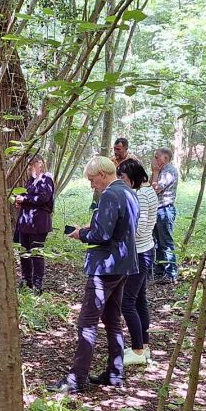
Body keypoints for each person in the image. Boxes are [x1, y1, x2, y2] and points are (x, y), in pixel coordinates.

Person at [48, 156, 138, 392]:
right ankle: (115, 373)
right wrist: (92, 230)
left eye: (92, 179)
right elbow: (119, 229)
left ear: (102, 174)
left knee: (87, 322)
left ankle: (76, 379)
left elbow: (102, 236)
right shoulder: (129, 192)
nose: (91, 185)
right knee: (112, 320)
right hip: (123, 264)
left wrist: (82, 234)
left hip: (106, 266)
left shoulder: (110, 194)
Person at [117, 159, 157, 366]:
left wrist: (118, 228)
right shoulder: (148, 191)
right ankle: (144, 345)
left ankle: (138, 350)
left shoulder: (140, 195)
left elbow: (140, 228)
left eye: (123, 178)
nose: (121, 182)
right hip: (146, 249)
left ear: (133, 177)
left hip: (140, 253)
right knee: (140, 299)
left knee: (127, 302)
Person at [15, 155, 54, 294]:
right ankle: (26, 280)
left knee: (36, 253)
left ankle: (38, 284)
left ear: (40, 164)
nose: (30, 167)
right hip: (25, 222)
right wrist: (20, 202)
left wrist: (25, 199)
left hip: (39, 223)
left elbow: (44, 198)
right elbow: (29, 199)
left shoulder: (46, 179)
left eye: (32, 164)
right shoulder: (30, 181)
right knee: (24, 252)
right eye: (28, 164)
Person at [151, 147, 179, 284]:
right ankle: (160, 269)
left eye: (157, 157)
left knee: (166, 242)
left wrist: (155, 172)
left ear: (165, 159)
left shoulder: (169, 171)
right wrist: (155, 172)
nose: (155, 160)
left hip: (165, 210)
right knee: (157, 242)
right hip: (158, 210)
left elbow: (155, 189)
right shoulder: (161, 171)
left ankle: (171, 273)